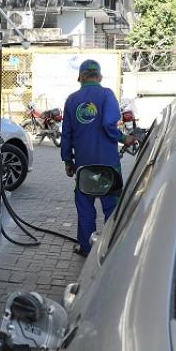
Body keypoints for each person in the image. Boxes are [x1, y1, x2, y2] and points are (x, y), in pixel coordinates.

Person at [61, 59, 135, 257]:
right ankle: (112, 249)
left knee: (85, 208)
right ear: (99, 76)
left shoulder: (72, 100)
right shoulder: (107, 95)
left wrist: (68, 160)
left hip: (84, 166)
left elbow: (66, 133)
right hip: (108, 166)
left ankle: (86, 248)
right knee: (111, 208)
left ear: (81, 77)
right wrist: (124, 138)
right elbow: (109, 125)